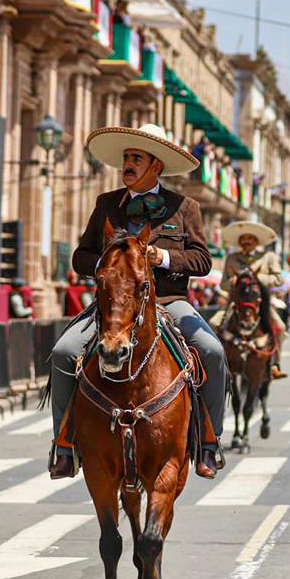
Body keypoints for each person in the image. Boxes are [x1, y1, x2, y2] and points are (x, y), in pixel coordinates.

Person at [47, 124, 228, 480]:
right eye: (126, 158)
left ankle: (209, 441)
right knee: (64, 352)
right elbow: (81, 256)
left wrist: (163, 257)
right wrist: (105, 264)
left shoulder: (184, 207)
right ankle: (64, 445)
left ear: (155, 166)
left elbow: (203, 261)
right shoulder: (106, 204)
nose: (127, 165)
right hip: (114, 305)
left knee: (212, 351)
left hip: (169, 302)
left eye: (136, 159)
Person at [210, 221, 288, 379]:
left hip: (261, 303)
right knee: (213, 323)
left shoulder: (268, 257)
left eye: (250, 239)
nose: (246, 242)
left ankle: (274, 364)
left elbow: (279, 279)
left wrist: (257, 278)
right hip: (235, 303)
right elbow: (223, 283)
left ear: (256, 241)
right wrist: (232, 282)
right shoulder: (231, 258)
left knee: (280, 326)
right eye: (243, 239)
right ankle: (217, 362)